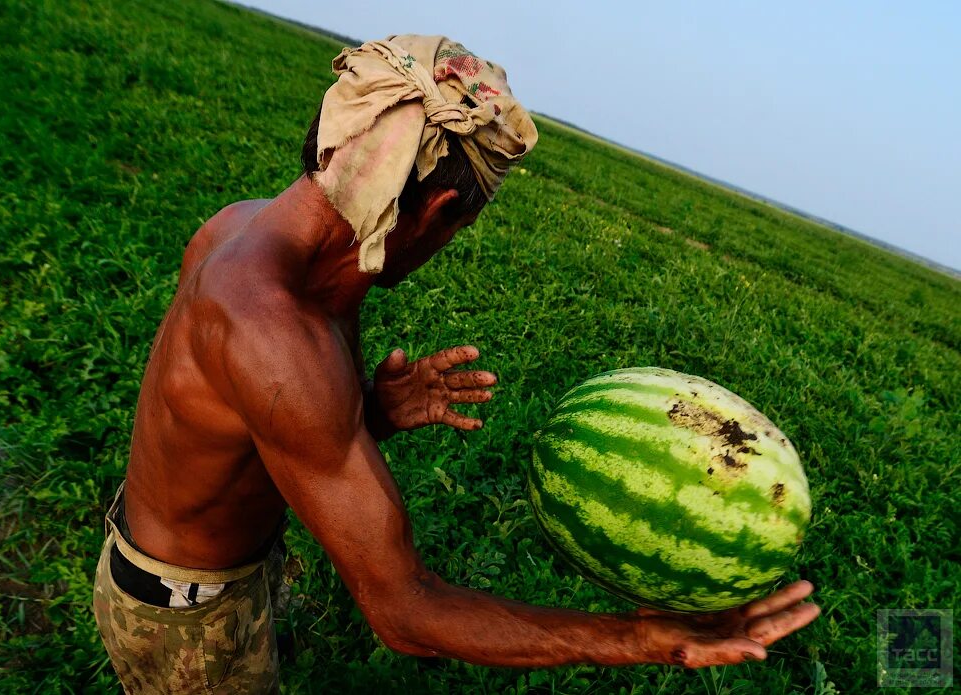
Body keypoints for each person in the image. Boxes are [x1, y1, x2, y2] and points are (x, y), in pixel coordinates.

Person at [92, 35, 820, 694]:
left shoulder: (258, 227)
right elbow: (404, 611)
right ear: (438, 208)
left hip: (206, 555)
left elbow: (243, 416)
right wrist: (641, 638)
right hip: (183, 610)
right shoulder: (275, 332)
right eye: (463, 226)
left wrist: (370, 413)